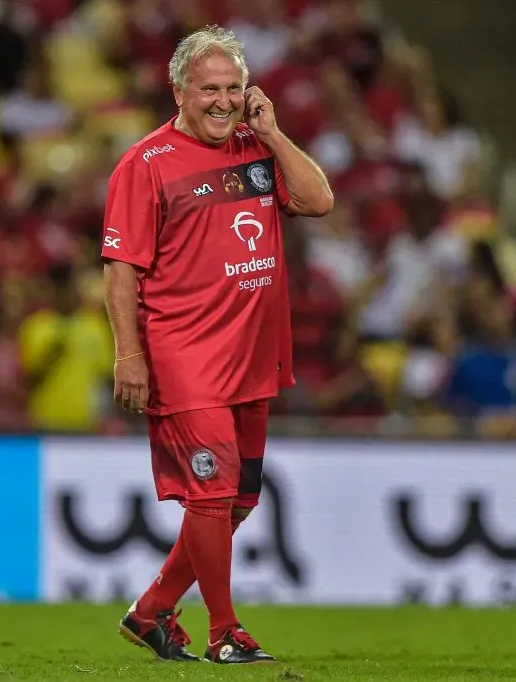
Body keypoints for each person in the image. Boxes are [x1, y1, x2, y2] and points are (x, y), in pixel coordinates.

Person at [101, 25, 333, 664]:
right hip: (185, 356)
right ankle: (224, 632)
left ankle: (150, 612)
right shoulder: (144, 166)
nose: (223, 101)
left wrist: (275, 132)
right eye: (209, 89)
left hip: (253, 357)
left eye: (233, 88)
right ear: (179, 91)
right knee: (211, 494)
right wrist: (129, 354)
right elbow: (121, 270)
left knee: (236, 502)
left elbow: (318, 200)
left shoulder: (257, 152)